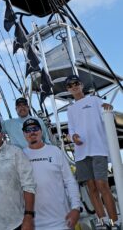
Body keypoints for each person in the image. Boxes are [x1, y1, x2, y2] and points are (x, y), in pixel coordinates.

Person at [65, 75, 119, 229]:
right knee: (91, 188)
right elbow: (72, 130)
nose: (74, 86)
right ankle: (102, 221)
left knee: (103, 185)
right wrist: (73, 136)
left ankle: (114, 222)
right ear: (68, 90)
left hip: (98, 149)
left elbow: (106, 111)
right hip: (81, 152)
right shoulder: (70, 109)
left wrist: (108, 108)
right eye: (70, 85)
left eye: (76, 83)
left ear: (81, 85)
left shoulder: (95, 100)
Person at [22, 118, 81, 230]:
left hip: (63, 223)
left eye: (35, 128)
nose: (32, 132)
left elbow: (70, 181)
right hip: (34, 225)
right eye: (28, 130)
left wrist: (76, 208)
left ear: (41, 131)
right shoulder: (20, 155)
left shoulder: (55, 151)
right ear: (24, 134)